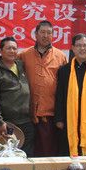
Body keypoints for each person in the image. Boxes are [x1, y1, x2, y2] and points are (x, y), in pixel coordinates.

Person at [19, 21, 68, 156]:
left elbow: (65, 87)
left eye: (49, 33)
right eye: (42, 32)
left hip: (50, 114)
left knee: (48, 153)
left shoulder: (60, 56)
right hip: (27, 112)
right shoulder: (24, 55)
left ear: (53, 35)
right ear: (36, 34)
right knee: (27, 152)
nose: (45, 35)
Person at [0, 36, 35, 156]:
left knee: (27, 155)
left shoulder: (22, 66)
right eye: (8, 48)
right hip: (8, 123)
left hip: (27, 121)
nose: (12, 51)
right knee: (10, 155)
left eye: (14, 48)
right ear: (0, 50)